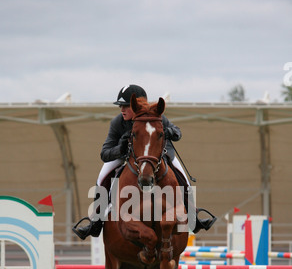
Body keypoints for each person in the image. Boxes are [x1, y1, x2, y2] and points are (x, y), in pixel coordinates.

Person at [72, 84, 216, 240]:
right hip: (126, 156)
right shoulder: (117, 123)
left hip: (158, 155)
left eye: (126, 105)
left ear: (137, 105)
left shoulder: (158, 116)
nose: (122, 109)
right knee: (101, 177)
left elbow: (178, 133)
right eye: (121, 105)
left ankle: (194, 216)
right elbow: (104, 154)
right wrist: (119, 149)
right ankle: (96, 221)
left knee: (183, 177)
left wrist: (170, 131)